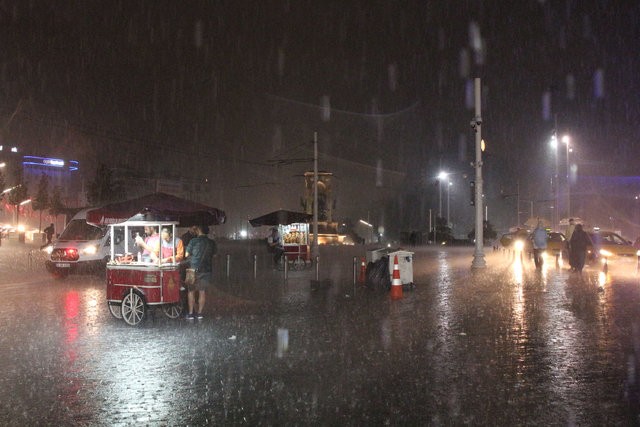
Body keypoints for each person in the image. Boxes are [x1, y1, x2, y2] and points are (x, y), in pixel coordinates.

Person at [184, 224, 217, 320]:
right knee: (202, 291)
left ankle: (190, 313)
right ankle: (200, 313)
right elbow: (214, 255)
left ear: (198, 230)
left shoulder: (193, 241)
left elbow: (186, 254)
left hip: (193, 269)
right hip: (206, 270)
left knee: (191, 291)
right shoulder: (211, 243)